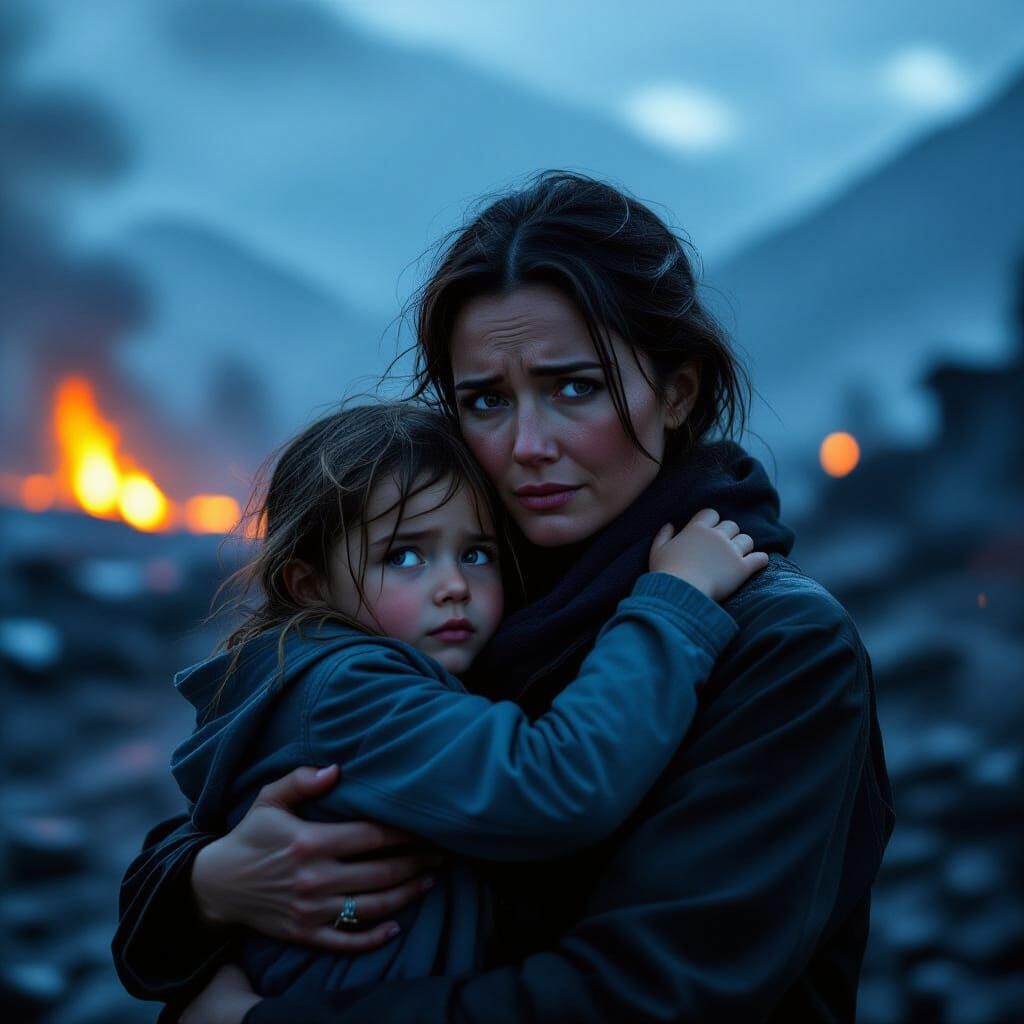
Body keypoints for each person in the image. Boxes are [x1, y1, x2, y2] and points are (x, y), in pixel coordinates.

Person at [114, 171, 894, 1024]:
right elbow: (211, 861)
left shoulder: (780, 644)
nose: (527, 446)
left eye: (574, 388)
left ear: (678, 391)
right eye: (485, 401)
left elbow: (651, 995)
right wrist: (213, 886)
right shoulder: (449, 594)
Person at [168, 400, 763, 1001]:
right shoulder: (348, 690)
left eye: (476, 553)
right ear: (310, 584)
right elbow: (556, 783)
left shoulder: (321, 675)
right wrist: (674, 599)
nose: (454, 586)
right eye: (404, 556)